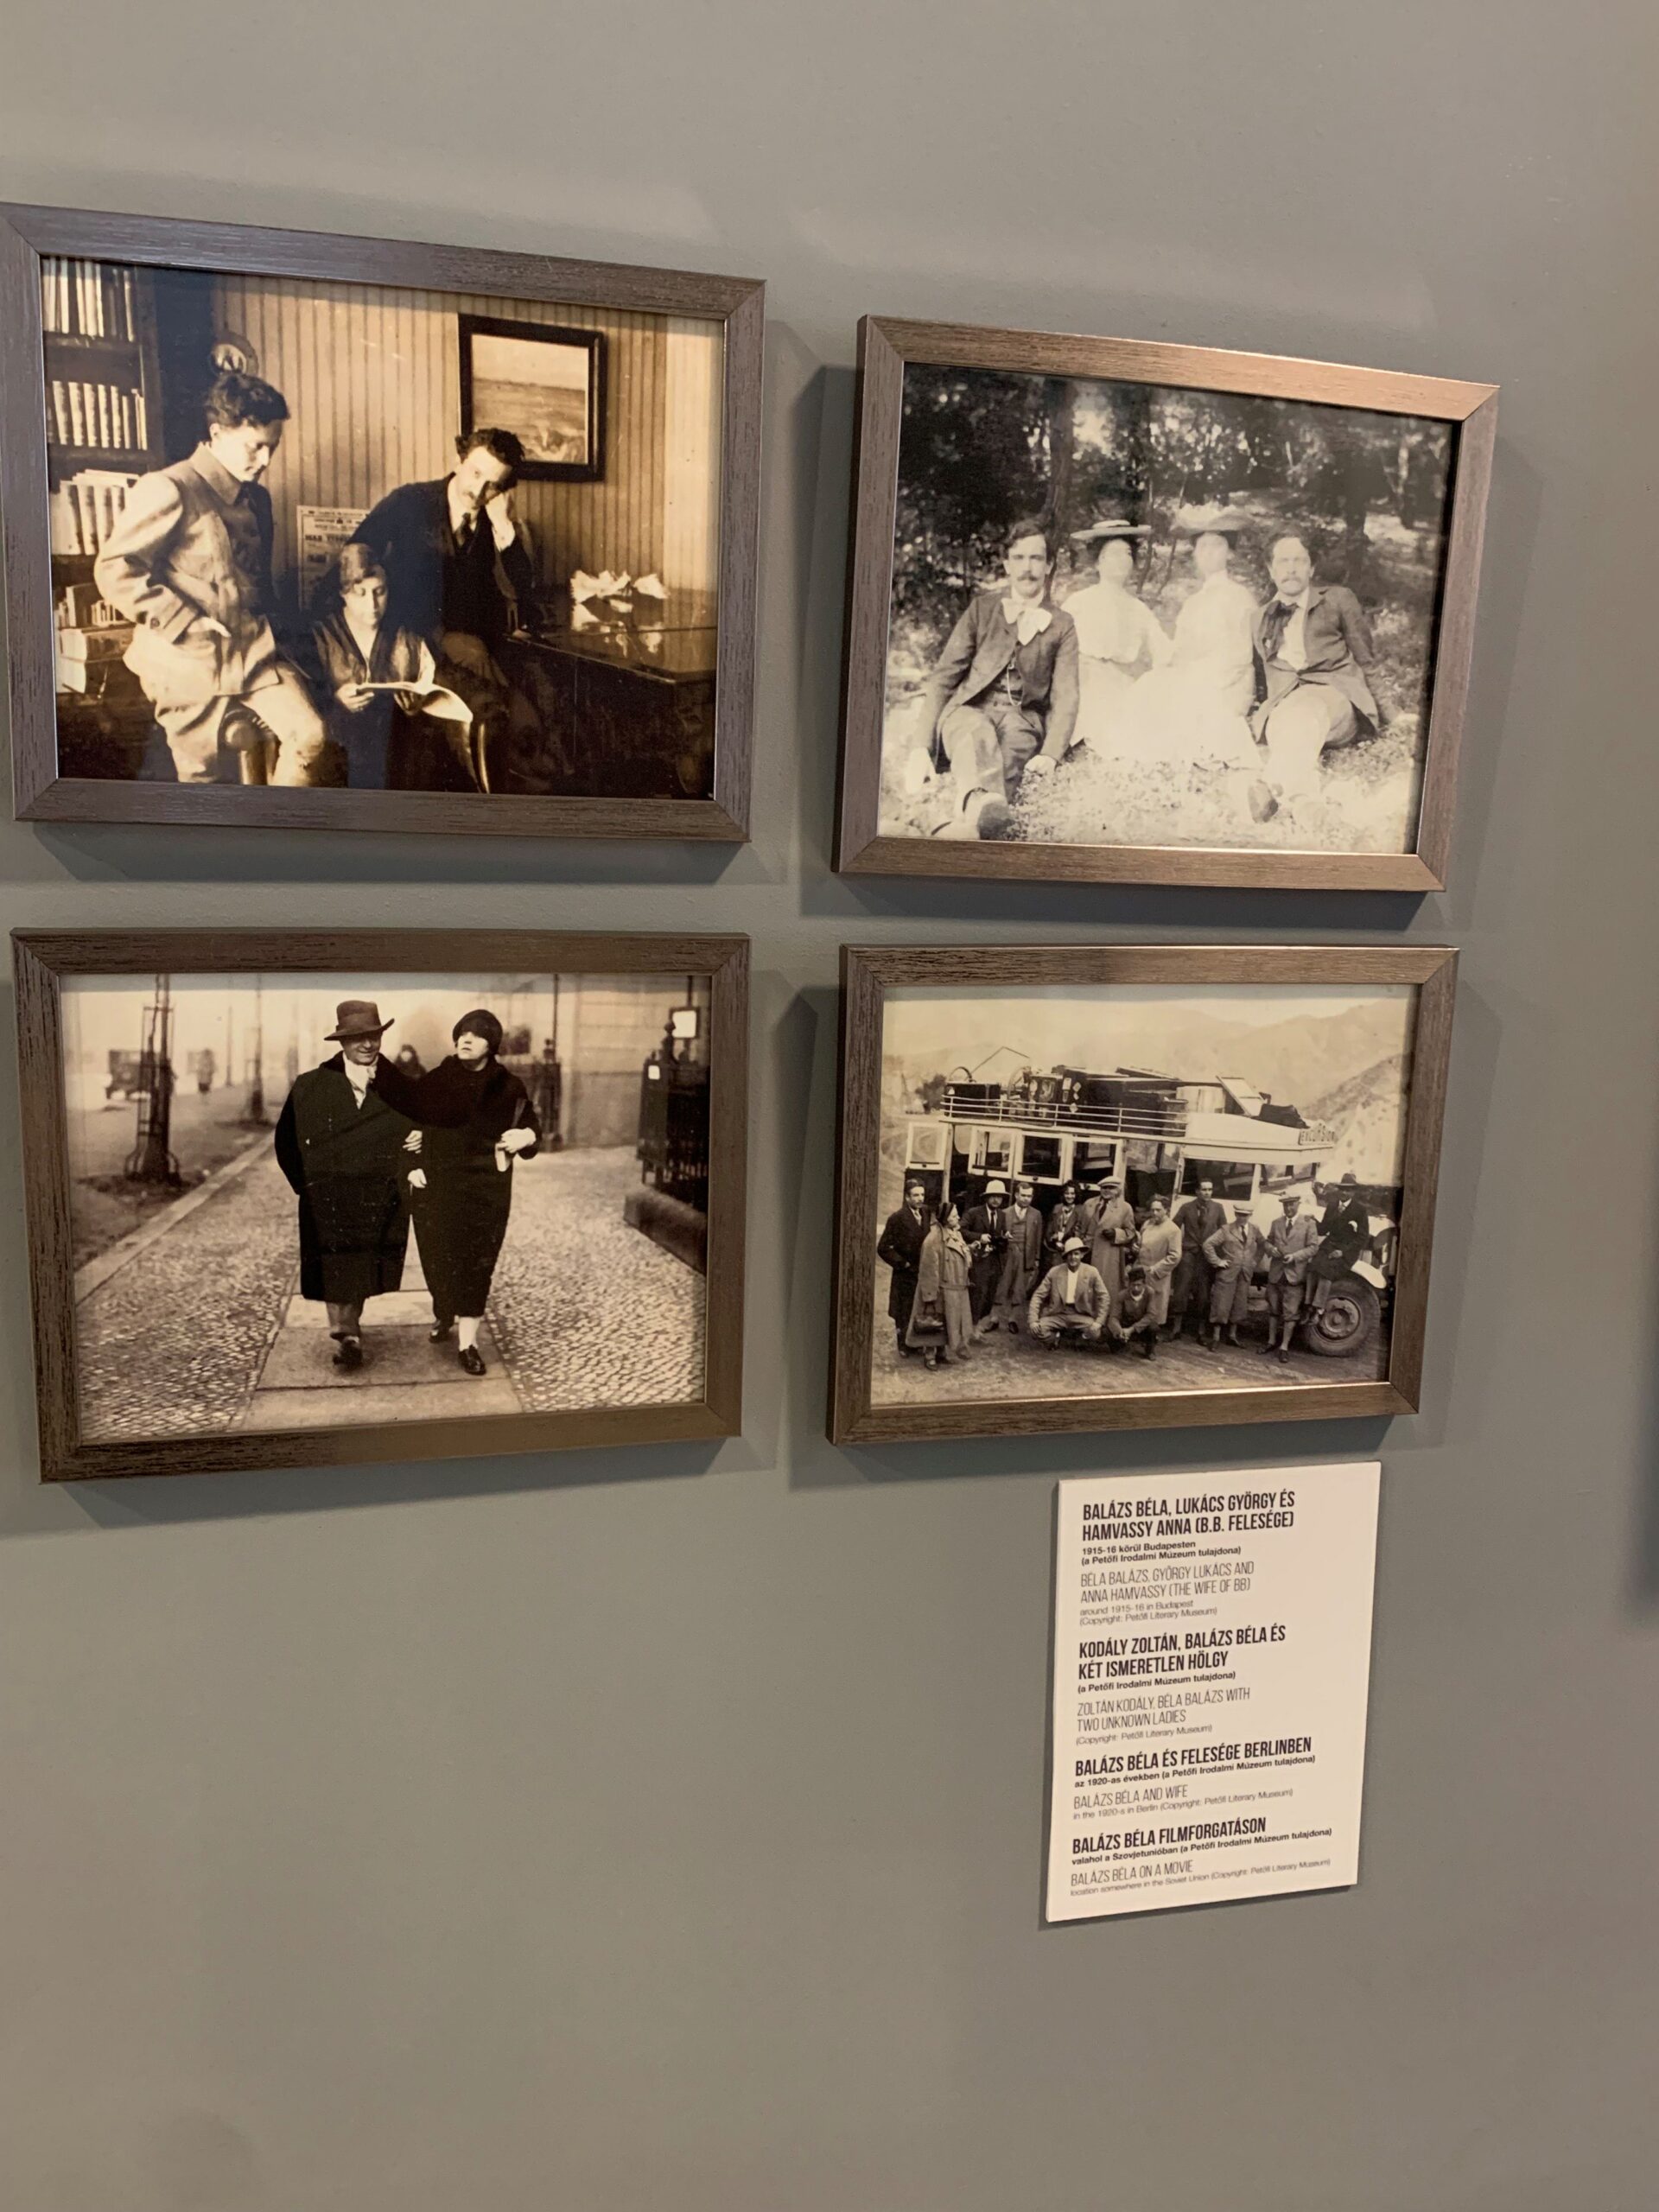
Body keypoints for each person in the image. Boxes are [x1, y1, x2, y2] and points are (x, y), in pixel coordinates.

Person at [94, 370, 330, 785]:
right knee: (202, 781)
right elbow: (115, 568)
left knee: (310, 736)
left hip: (250, 652)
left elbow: (257, 586)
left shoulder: (257, 499)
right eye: (255, 447)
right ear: (217, 433)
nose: (266, 461)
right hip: (188, 657)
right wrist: (186, 622)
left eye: (272, 447)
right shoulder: (170, 487)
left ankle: (279, 822)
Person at [351, 428, 563, 791]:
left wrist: (504, 526)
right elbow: (354, 561)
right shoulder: (409, 503)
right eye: (476, 473)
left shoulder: (494, 521)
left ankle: (533, 773)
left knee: (545, 690)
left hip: (478, 646)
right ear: (458, 461)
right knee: (499, 704)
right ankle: (520, 776)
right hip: (412, 642)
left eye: (493, 485)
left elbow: (524, 591)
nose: (479, 491)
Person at [274, 1000, 421, 1370]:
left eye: (373, 1036)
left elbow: (427, 1123)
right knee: (335, 1264)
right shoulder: (312, 1085)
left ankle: (348, 1327)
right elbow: (285, 1140)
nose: (367, 1044)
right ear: (342, 1041)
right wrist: (305, 1185)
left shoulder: (401, 1085)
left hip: (378, 1194)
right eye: (357, 1038)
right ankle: (346, 1333)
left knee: (361, 1265)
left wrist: (421, 1137)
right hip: (328, 1194)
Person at [907, 517, 1080, 816]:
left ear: (1049, 565)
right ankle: (979, 805)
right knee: (975, 732)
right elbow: (944, 677)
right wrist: (920, 746)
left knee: (1013, 751)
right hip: (970, 709)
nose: (1027, 568)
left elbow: (1066, 696)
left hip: (1021, 718)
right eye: (1019, 558)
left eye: (1036, 558)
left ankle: (975, 818)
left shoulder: (1062, 624)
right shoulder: (982, 609)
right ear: (1007, 565)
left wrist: (1051, 753)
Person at [404, 1010, 541, 1376]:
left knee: (479, 1262)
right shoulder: (435, 1081)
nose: (466, 1039)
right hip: (437, 1186)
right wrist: (412, 1165)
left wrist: (525, 1136)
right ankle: (443, 1310)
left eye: (477, 1035)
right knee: (437, 1259)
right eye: (462, 1033)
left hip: (487, 1189)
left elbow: (531, 1125)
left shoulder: (509, 1086)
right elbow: (409, 1126)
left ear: (491, 1044)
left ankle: (468, 1344)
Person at [311, 544, 474, 789]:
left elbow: (434, 688)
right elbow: (304, 699)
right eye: (360, 593)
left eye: (380, 592)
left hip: (395, 754)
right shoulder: (321, 637)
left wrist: (417, 705)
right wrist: (335, 700)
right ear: (344, 593)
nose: (373, 604)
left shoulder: (406, 639)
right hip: (340, 754)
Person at [1248, 534, 1380, 819]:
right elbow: (1258, 677)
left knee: (1306, 710)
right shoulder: (1259, 618)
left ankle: (1272, 784)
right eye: (1283, 561)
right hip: (1286, 703)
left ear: (1311, 568)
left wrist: (1389, 713)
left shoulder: (1337, 600)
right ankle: (1304, 803)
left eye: (1299, 561)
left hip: (1335, 698)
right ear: (1271, 570)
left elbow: (1366, 660)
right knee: (1287, 718)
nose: (1291, 569)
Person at [1115, 511, 1260, 768]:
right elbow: (1181, 650)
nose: (1208, 553)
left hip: (1228, 681)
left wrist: (1200, 677)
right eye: (1202, 547)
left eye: (1217, 546)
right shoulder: (1194, 602)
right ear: (1195, 554)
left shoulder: (1239, 597)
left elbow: (1240, 654)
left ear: (1230, 553)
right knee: (1151, 686)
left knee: (1189, 699)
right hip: (1196, 675)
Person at [1063, 520, 1170, 753]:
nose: (1123, 559)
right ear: (1098, 562)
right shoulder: (1078, 603)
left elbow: (1164, 651)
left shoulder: (1138, 609)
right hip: (1083, 685)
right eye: (1114, 553)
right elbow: (1057, 650)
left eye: (1128, 553)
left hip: (1120, 686)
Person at [908, 1200, 975, 1369]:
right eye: (954, 1216)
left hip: (955, 1289)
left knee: (947, 1323)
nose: (958, 1218)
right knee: (934, 1322)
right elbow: (928, 1270)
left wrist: (972, 1249)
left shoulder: (955, 1233)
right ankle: (929, 1356)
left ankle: (941, 1353)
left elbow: (960, 1254)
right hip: (939, 1290)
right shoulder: (933, 1239)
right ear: (945, 1219)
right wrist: (929, 1296)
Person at [877, 1178, 932, 1358]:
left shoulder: (926, 1212)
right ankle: (903, 1344)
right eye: (915, 1195)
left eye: (922, 1194)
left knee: (919, 1308)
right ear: (907, 1197)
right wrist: (903, 1263)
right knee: (903, 1310)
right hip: (905, 1274)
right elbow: (883, 1248)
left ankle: (916, 1341)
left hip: (922, 1272)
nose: (920, 1198)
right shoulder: (897, 1218)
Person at [1264, 1187, 1320, 1363]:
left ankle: (1284, 1347)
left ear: (1298, 1204)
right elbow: (1268, 1241)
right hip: (1276, 1274)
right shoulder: (1276, 1223)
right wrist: (1271, 1249)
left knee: (1291, 1313)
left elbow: (1313, 1247)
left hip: (1295, 1275)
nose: (1288, 1208)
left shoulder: (1308, 1223)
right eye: (1285, 1205)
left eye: (1292, 1204)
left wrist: (1295, 1256)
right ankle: (1271, 1341)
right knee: (1273, 1309)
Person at [1307, 1172, 1374, 1313]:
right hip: (1329, 1245)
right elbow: (1323, 1229)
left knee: (1326, 1270)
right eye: (1342, 1189)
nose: (1344, 1192)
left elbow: (1362, 1237)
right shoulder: (1332, 1206)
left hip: (1347, 1250)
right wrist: (1313, 1221)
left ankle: (1318, 1308)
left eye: (1348, 1190)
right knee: (1313, 1267)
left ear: (1354, 1192)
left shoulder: (1360, 1210)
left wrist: (1343, 1252)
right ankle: (1308, 1305)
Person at [1201, 1203, 1265, 1349]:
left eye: (1246, 1215)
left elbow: (1263, 1244)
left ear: (1250, 1215)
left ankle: (1232, 1336)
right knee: (1221, 1304)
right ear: (1236, 1214)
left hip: (1245, 1273)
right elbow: (1208, 1245)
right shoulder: (1226, 1229)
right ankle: (1216, 1338)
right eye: (1240, 1214)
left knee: (1239, 1303)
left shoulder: (1254, 1229)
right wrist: (1218, 1261)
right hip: (1227, 1273)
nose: (1243, 1218)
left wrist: (1255, 1261)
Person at [1169, 1179, 1227, 1338]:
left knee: (1203, 1293)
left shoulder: (1218, 1208)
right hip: (1189, 1253)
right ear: (1197, 1191)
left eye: (1210, 1190)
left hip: (1206, 1257)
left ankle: (1201, 1330)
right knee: (1181, 1290)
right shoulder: (1186, 1207)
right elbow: (1173, 1228)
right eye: (1204, 1189)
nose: (1207, 1193)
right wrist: (1176, 1246)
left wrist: (1218, 1255)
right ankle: (1176, 1328)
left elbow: (1224, 1232)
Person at [1029, 1237, 1109, 1347]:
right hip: (1058, 1313)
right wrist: (1033, 1320)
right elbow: (1038, 1295)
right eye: (1069, 1254)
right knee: (1036, 1331)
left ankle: (1080, 1337)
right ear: (1065, 1256)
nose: (1073, 1257)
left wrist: (1099, 1322)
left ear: (1082, 1255)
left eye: (1076, 1254)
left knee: (1095, 1333)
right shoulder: (1055, 1272)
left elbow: (1104, 1296)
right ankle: (1055, 1337)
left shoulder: (1091, 1272)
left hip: (1081, 1314)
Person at [992, 1176, 1046, 1332]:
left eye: (1029, 1196)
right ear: (1016, 1195)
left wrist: (1036, 1258)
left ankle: (1013, 1319)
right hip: (1008, 1254)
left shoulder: (1036, 1214)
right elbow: (997, 1236)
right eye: (1023, 1195)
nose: (1026, 1199)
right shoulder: (1004, 1213)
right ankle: (994, 1318)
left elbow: (1038, 1238)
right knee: (1002, 1286)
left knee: (1019, 1289)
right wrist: (1003, 1238)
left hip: (1025, 1255)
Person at [961, 1179, 1012, 1332]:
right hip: (978, 1261)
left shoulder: (1002, 1215)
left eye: (999, 1197)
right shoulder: (974, 1213)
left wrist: (1005, 1238)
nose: (996, 1200)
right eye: (993, 1196)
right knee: (977, 1294)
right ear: (987, 1197)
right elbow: (960, 1230)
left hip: (994, 1262)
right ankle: (970, 1327)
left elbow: (999, 1236)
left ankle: (980, 1324)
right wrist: (979, 1237)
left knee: (990, 1295)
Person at [1083, 1177, 1136, 1320]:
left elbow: (1130, 1232)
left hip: (1109, 1253)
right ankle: (1084, 1318)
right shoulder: (1089, 1204)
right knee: (1085, 1285)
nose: (1107, 1191)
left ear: (1118, 1190)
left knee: (1106, 1287)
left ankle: (1104, 1319)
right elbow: (1080, 1227)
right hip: (1087, 1251)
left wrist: (1116, 1233)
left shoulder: (1125, 1208)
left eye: (1111, 1188)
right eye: (1104, 1188)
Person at [1135, 1194, 1184, 1334]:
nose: (1154, 1213)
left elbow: (1175, 1256)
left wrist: (1155, 1269)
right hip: (1141, 1269)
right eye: (1152, 1210)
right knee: (1140, 1302)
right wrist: (1136, 1248)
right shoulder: (1147, 1224)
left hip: (1157, 1274)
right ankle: (1139, 1332)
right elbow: (1141, 1243)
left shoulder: (1173, 1229)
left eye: (1158, 1210)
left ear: (1166, 1210)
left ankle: (1153, 1336)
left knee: (1156, 1306)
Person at [1106, 1262, 1159, 1357]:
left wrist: (1132, 1329)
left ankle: (1150, 1350)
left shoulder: (1150, 1293)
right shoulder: (1122, 1295)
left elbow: (1151, 1315)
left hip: (1142, 1325)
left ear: (1144, 1284)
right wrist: (1120, 1330)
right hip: (1126, 1324)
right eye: (1133, 1285)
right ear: (1129, 1284)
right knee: (1108, 1330)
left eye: (1139, 1285)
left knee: (1153, 1327)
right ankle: (1119, 1344)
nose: (1136, 1288)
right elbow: (1114, 1317)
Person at [1045, 1178, 1090, 1260]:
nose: (1069, 1196)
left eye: (1072, 1194)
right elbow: (1049, 1231)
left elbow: (1080, 1233)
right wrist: (1054, 1241)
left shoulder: (1081, 1210)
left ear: (1076, 1194)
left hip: (1071, 1253)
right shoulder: (1057, 1208)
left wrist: (1065, 1243)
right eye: (1067, 1193)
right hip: (1055, 1252)